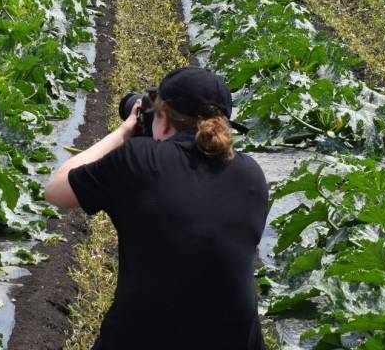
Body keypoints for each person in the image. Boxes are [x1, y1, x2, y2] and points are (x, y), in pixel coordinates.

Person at [45, 66, 268, 349]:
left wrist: (125, 130)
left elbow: (56, 190)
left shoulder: (139, 160)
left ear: (162, 122)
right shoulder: (252, 176)